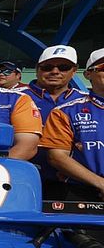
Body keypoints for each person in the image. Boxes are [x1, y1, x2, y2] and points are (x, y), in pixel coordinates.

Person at [18, 45, 85, 199]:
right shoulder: (13, 98)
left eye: (63, 67)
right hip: (21, 180)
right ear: (37, 69)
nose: (55, 71)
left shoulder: (85, 101)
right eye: (47, 67)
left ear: (74, 71)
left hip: (73, 184)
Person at [41, 48, 104, 202]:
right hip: (82, 193)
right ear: (88, 74)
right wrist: (101, 184)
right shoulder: (65, 111)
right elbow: (57, 156)